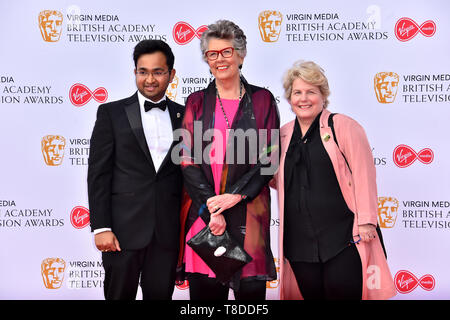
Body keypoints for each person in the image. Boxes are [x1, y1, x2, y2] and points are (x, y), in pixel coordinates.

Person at [272, 60, 396, 300]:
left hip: (343, 239)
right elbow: (271, 178)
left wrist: (368, 221)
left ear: (323, 95)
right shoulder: (282, 134)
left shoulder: (343, 126)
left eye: (311, 92)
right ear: (289, 98)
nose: (304, 98)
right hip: (298, 243)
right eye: (297, 92)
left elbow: (364, 175)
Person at [178, 20, 280, 300]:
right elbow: (186, 160)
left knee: (250, 300)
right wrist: (213, 210)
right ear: (206, 60)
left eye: (227, 52)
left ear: (241, 55)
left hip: (249, 214)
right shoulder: (196, 102)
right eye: (212, 54)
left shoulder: (263, 100)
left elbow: (269, 159)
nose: (220, 59)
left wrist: (234, 196)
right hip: (206, 219)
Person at [87, 40, 184, 300]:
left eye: (158, 71)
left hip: (166, 233)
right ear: (135, 73)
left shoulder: (185, 116)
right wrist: (101, 227)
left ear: (171, 74)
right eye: (143, 71)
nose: (150, 79)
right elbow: (98, 174)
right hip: (121, 232)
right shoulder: (111, 113)